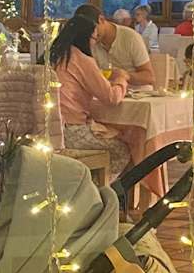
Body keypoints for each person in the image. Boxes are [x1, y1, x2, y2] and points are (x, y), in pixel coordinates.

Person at [48, 11, 133, 175]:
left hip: (49, 131)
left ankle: (89, 181)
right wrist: (121, 79)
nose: (95, 44)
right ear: (86, 38)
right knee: (122, 149)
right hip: (71, 131)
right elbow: (112, 97)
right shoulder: (81, 59)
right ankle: (101, 188)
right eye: (95, 38)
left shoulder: (53, 56)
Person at [77, 2, 154, 87]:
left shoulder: (131, 37)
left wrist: (126, 76)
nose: (91, 35)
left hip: (136, 91)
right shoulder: (91, 41)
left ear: (101, 19)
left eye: (92, 29)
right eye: (86, 33)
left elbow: (149, 77)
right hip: (106, 91)